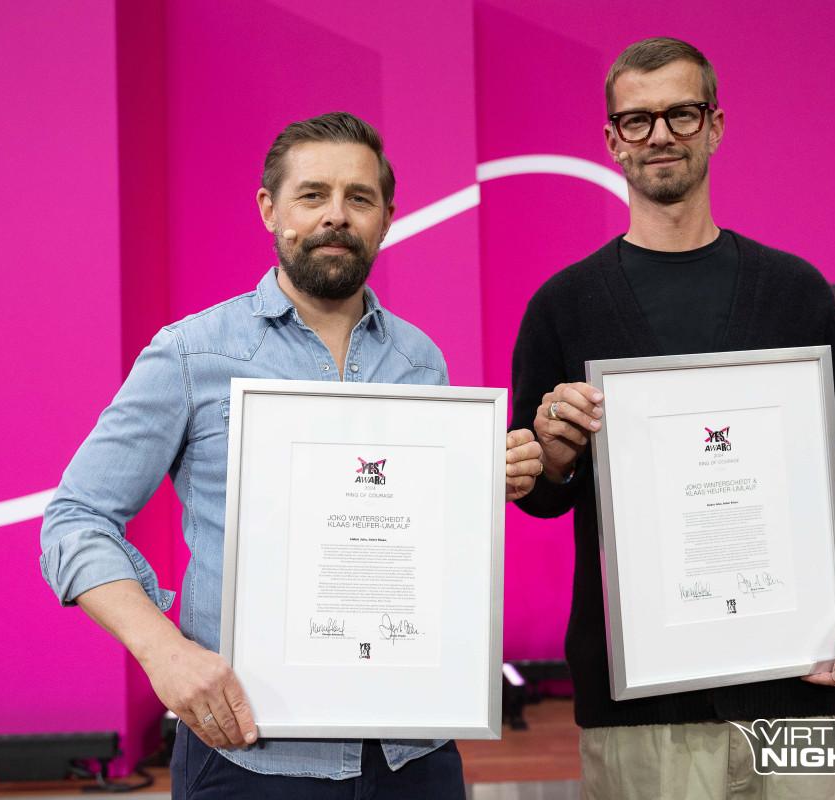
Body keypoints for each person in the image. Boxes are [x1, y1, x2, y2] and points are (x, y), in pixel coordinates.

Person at [40, 111, 543, 799]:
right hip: (251, 754)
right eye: (313, 195)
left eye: (359, 197)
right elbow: (74, 519)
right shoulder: (190, 354)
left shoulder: (419, 360)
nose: (336, 214)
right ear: (269, 209)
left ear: (387, 218)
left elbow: (411, 533)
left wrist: (482, 480)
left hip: (413, 751)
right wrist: (165, 652)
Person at [510, 38, 835, 799]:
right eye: (638, 119)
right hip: (640, 704)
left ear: (715, 125)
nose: (660, 135)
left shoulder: (794, 291)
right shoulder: (563, 305)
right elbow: (543, 494)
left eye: (681, 114)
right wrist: (551, 452)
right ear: (612, 140)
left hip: (794, 685)